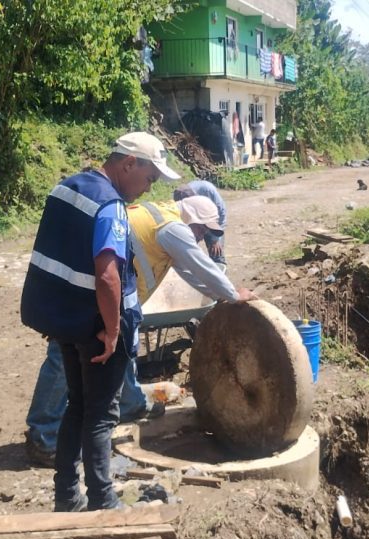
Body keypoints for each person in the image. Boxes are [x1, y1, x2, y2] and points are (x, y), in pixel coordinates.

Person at [23, 195, 255, 469]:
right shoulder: (173, 228)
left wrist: (221, 296)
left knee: (123, 347)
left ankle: (129, 403)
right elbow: (200, 265)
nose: (201, 236)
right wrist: (232, 294)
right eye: (201, 230)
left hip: (116, 294)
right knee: (64, 356)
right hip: (90, 288)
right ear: (191, 219)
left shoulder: (165, 221)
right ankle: (43, 436)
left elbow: (191, 273)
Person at [21, 131, 179, 512]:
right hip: (98, 325)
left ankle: (66, 496)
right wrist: (111, 331)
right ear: (128, 164)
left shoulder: (68, 187)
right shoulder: (110, 205)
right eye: (149, 178)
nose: (148, 188)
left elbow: (58, 254)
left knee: (77, 405)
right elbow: (108, 274)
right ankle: (103, 502)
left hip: (68, 321)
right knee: (100, 414)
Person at [173, 180, 227, 264]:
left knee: (216, 253)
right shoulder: (177, 199)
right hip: (194, 224)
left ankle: (220, 273)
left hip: (212, 223)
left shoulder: (208, 190)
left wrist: (215, 240)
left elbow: (222, 213)